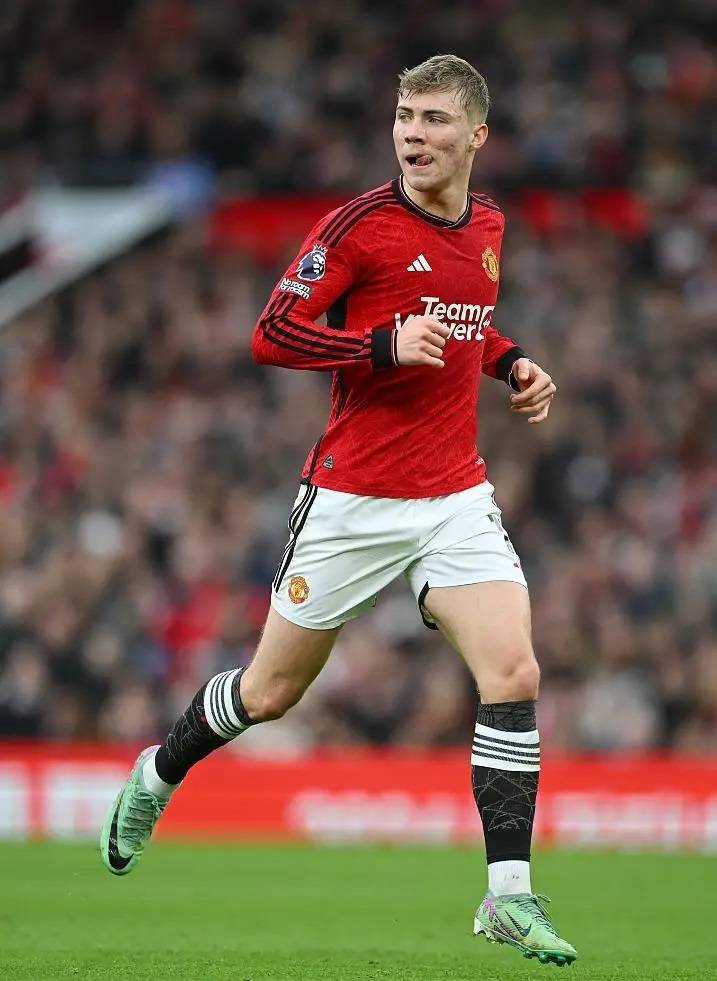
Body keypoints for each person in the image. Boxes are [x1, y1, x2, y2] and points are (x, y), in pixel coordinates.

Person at [100, 53, 576, 967]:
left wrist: (512, 361)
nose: (412, 135)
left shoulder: (487, 224)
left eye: (434, 120)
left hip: (453, 496)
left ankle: (507, 896)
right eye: (404, 117)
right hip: (352, 500)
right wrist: (379, 345)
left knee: (513, 669)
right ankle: (158, 772)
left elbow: (466, 322)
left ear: (476, 135)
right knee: (268, 693)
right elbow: (270, 332)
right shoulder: (357, 227)